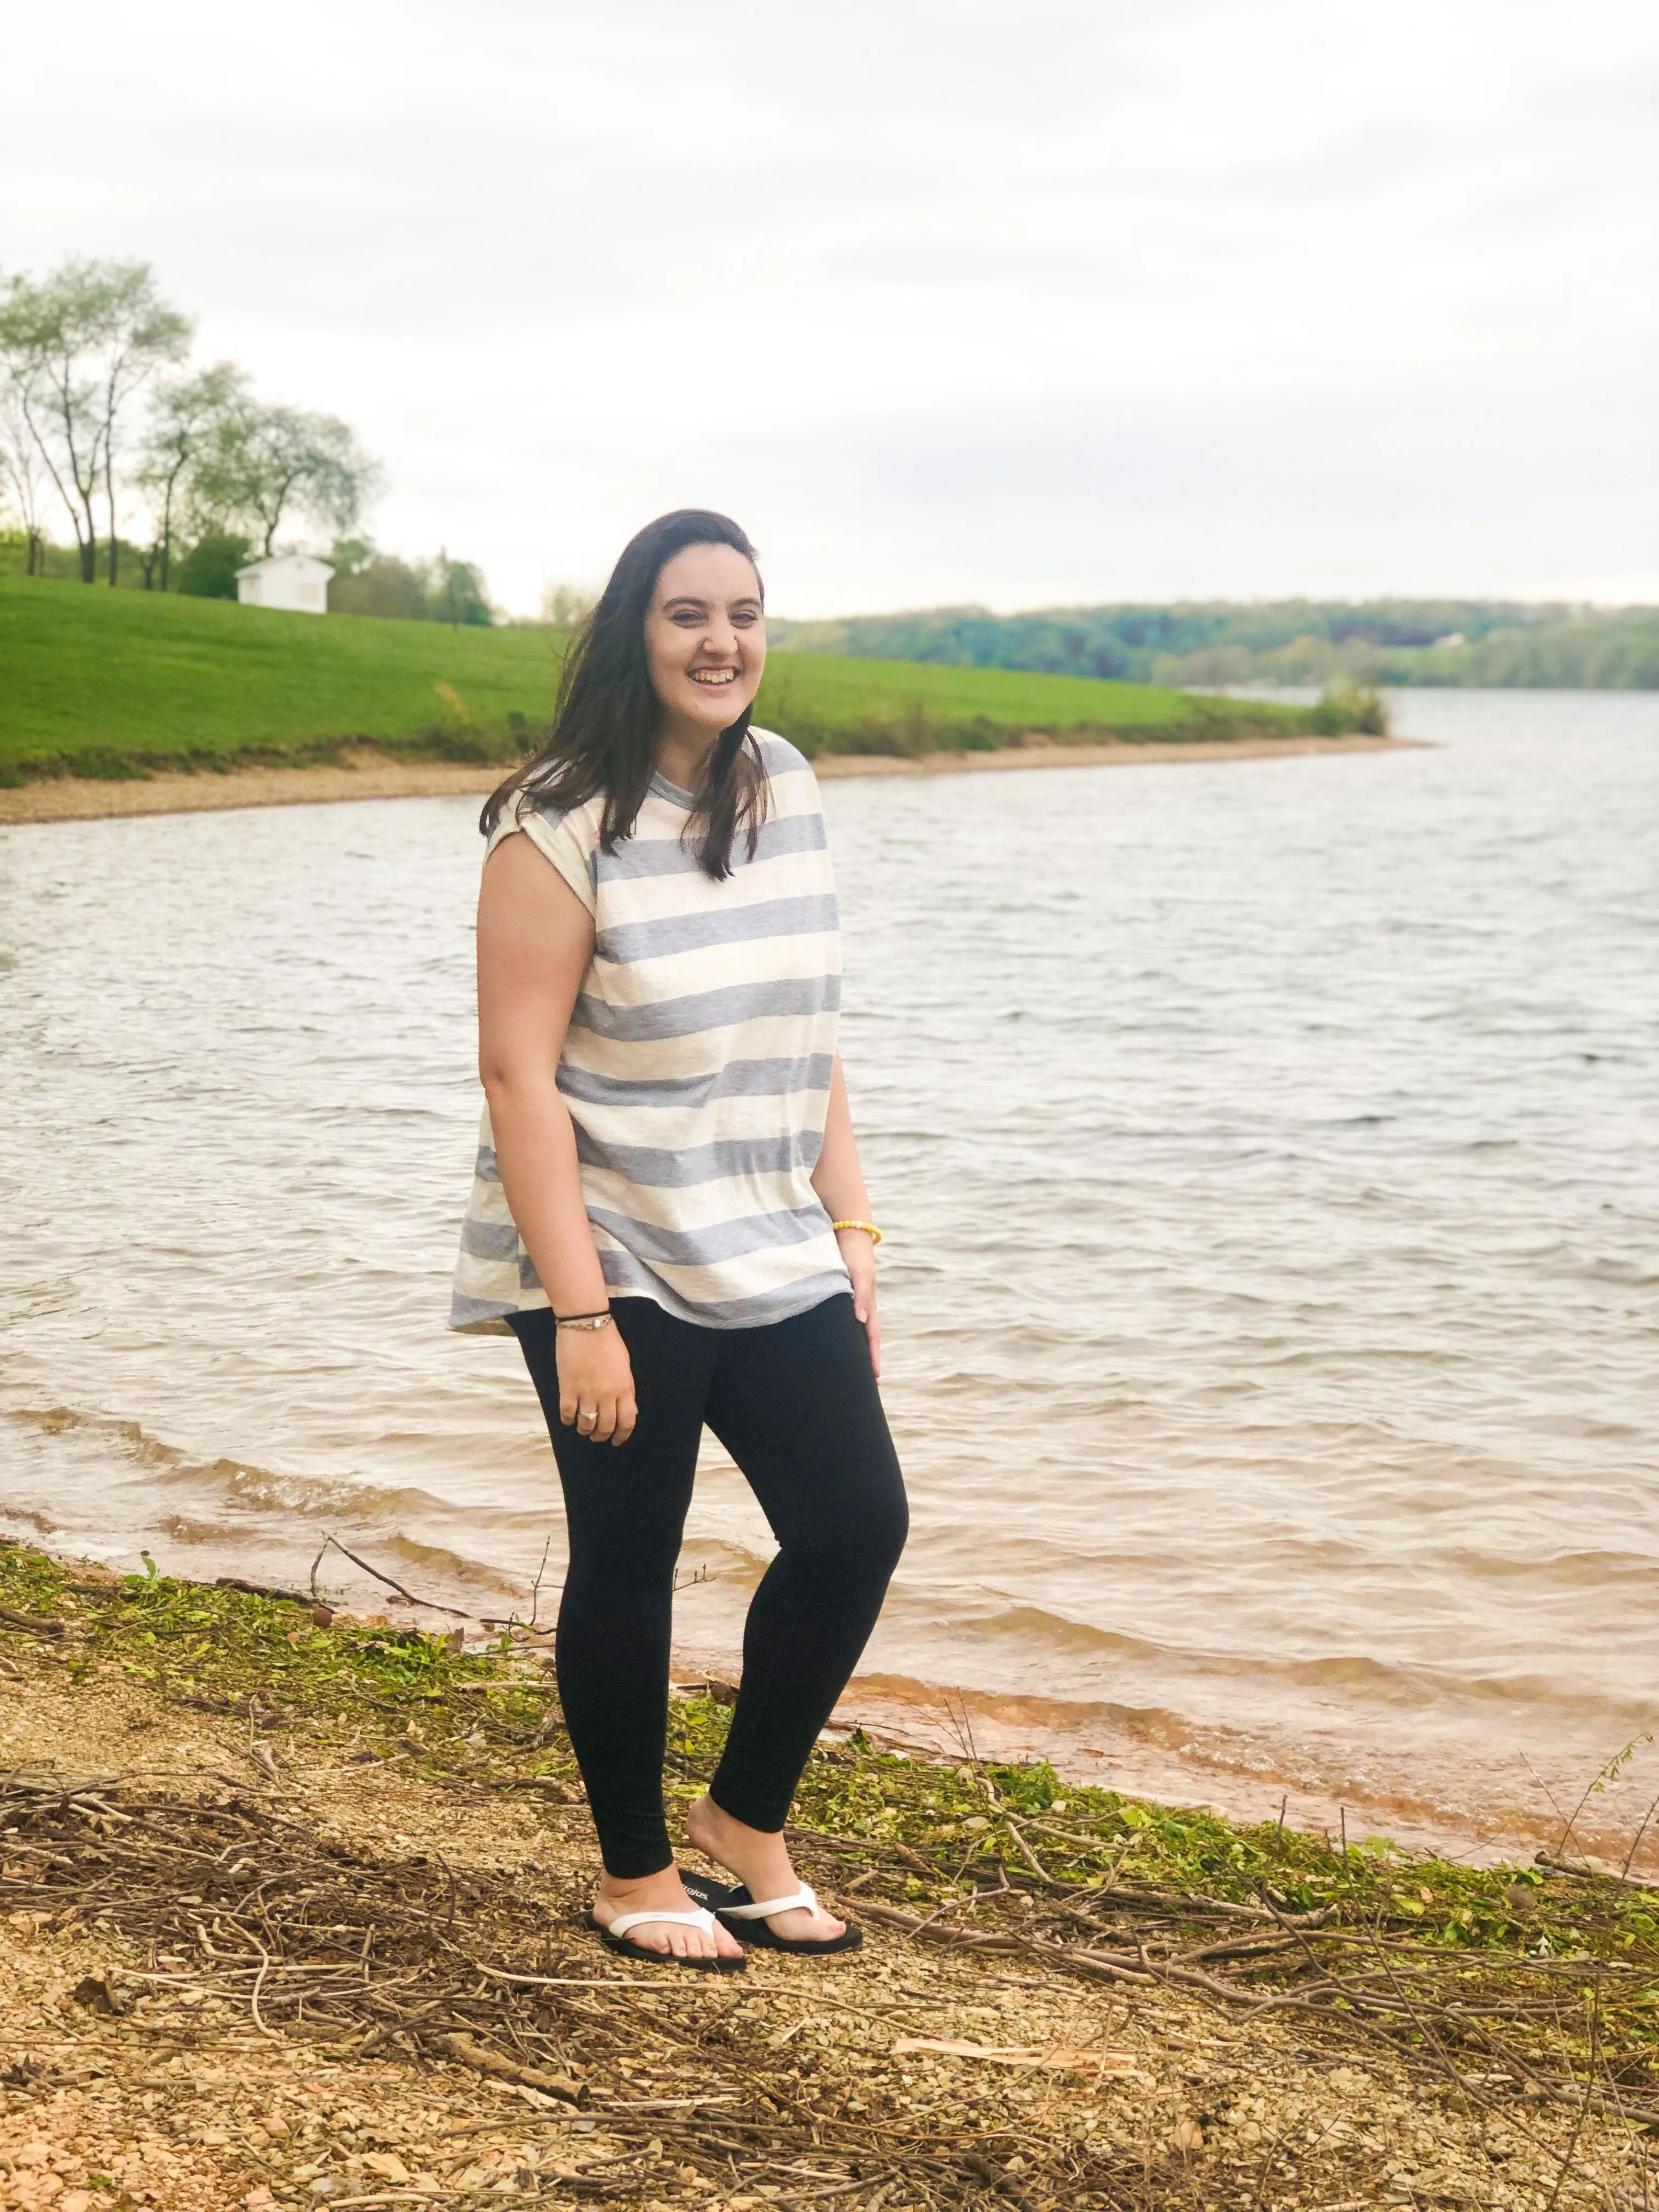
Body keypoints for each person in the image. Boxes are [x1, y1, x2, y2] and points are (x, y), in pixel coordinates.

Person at [450, 509, 908, 1972]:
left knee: (855, 1524)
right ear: (632, 637)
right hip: (610, 1243)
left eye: (747, 613)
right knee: (630, 1556)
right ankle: (633, 1869)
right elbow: (519, 1076)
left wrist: (852, 1226)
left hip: (769, 1236)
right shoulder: (557, 822)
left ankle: (745, 1822)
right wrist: (579, 1311)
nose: (723, 642)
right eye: (688, 614)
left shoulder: (787, 784)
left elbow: (807, 1026)